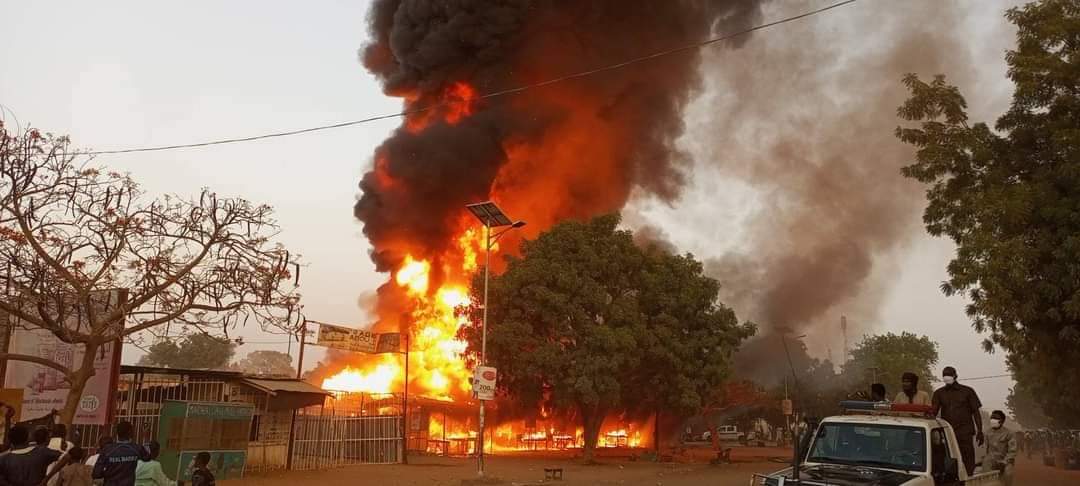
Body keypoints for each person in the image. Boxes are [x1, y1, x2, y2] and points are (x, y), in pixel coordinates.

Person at [931, 366, 983, 476]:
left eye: (949, 374)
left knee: (967, 455)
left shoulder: (968, 391)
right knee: (949, 457)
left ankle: (969, 477)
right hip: (948, 432)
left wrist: (980, 430)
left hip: (965, 431)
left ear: (955, 376)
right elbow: (933, 412)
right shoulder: (939, 393)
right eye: (944, 375)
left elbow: (976, 412)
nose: (947, 377)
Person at [0, 425, 68, 486]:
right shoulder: (42, 452)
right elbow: (68, 457)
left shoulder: (4, 459)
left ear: (10, 440)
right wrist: (45, 480)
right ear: (27, 437)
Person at [983, 410, 1017, 486]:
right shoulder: (987, 432)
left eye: (995, 418)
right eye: (992, 418)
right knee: (984, 474)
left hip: (1005, 459)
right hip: (991, 459)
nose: (992, 420)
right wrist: (983, 458)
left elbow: (1012, 451)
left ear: (1002, 421)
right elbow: (984, 448)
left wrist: (1004, 462)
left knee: (1008, 473)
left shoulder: (1009, 433)